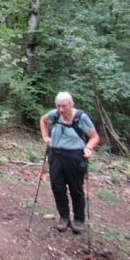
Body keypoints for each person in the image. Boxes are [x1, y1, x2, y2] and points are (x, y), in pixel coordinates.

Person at [40, 91, 99, 234]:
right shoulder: (54, 114)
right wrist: (46, 137)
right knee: (57, 186)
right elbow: (43, 120)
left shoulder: (81, 118)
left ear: (71, 105)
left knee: (75, 188)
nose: (61, 109)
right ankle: (64, 217)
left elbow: (94, 137)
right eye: (58, 106)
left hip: (75, 156)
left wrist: (88, 148)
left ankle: (79, 219)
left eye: (64, 106)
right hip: (55, 154)